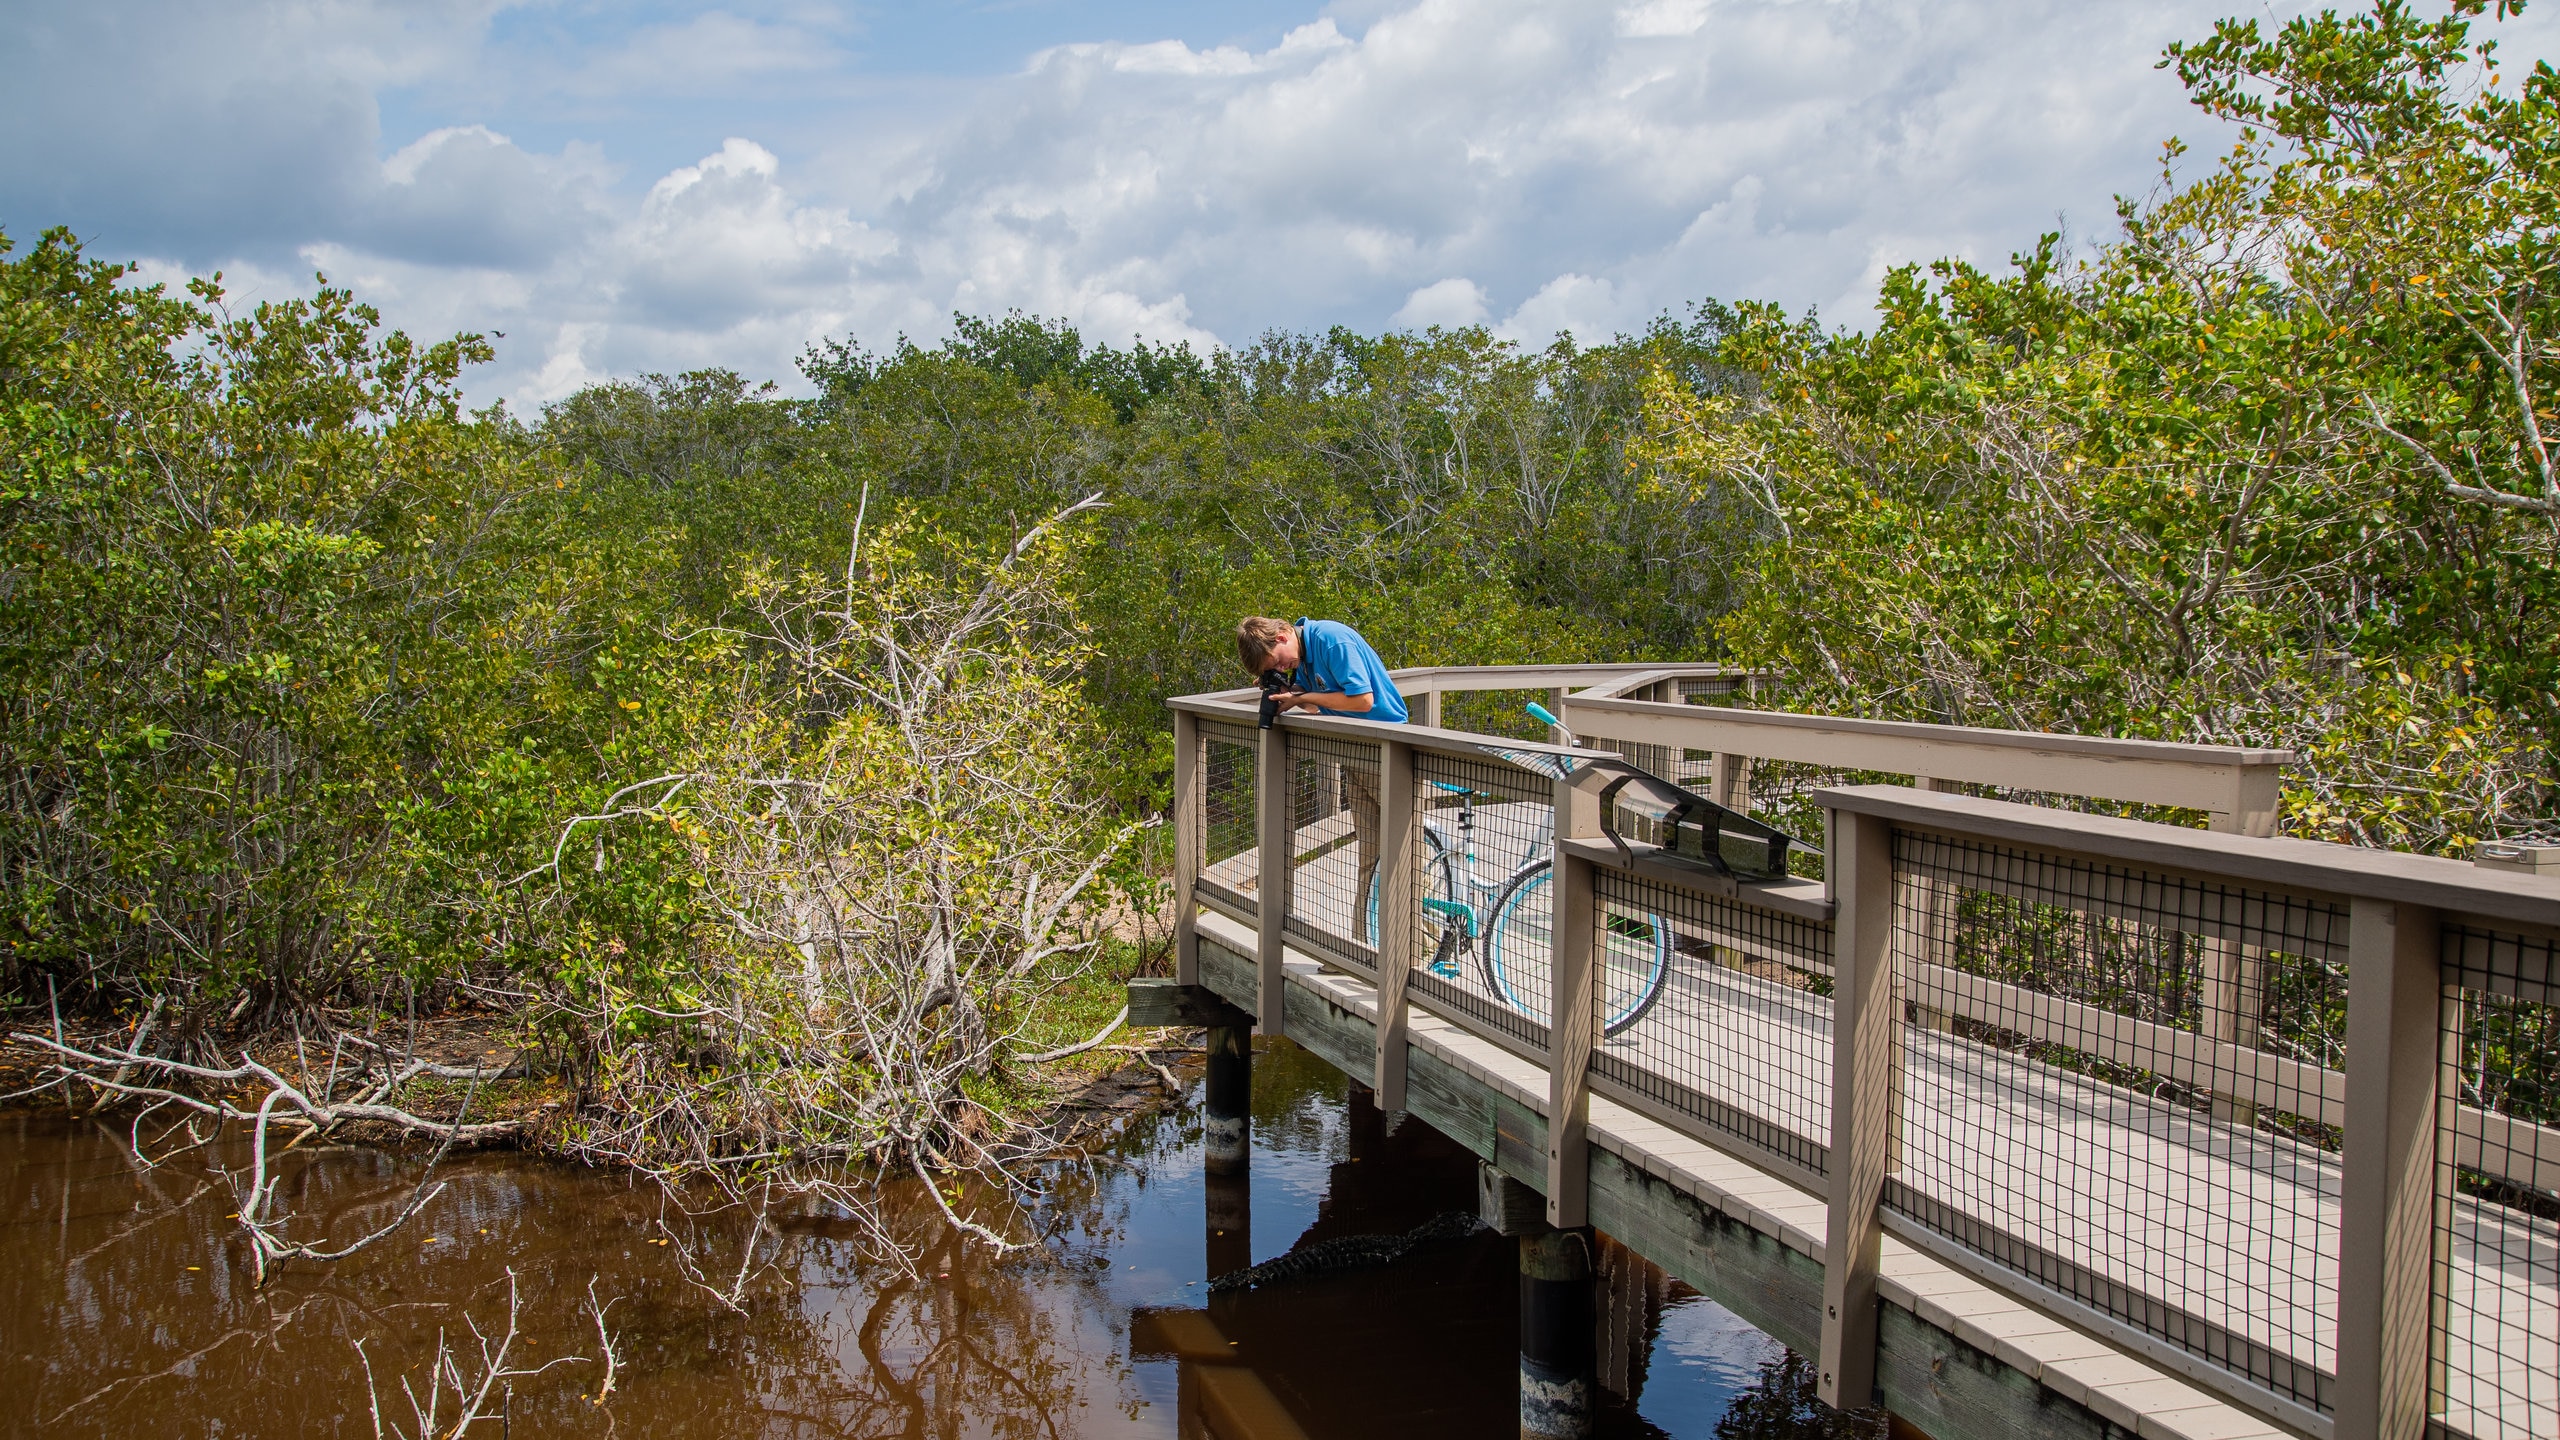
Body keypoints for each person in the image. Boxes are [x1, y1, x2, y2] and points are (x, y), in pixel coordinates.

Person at [1234, 616, 1407, 938]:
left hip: (1389, 750)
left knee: (1407, 854)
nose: (1283, 668)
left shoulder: (1331, 640)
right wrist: (1291, 692)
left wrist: (1303, 698)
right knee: (1371, 856)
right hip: (1356, 750)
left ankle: (1416, 951)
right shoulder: (1303, 658)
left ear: (1283, 635)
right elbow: (1323, 704)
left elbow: (1362, 700)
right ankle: (1363, 948)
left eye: (1277, 662)